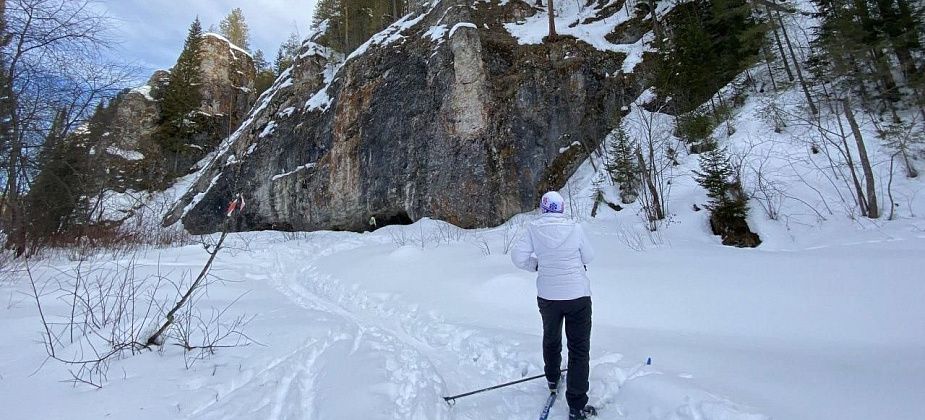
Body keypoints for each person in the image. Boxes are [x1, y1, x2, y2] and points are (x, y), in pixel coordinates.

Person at [511, 191, 597, 420]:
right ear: (562, 208)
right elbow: (589, 257)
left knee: (551, 337)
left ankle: (552, 377)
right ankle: (577, 405)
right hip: (578, 295)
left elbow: (518, 257)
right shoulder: (575, 228)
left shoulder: (533, 229)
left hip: (548, 296)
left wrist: (537, 266)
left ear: (543, 208)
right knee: (579, 348)